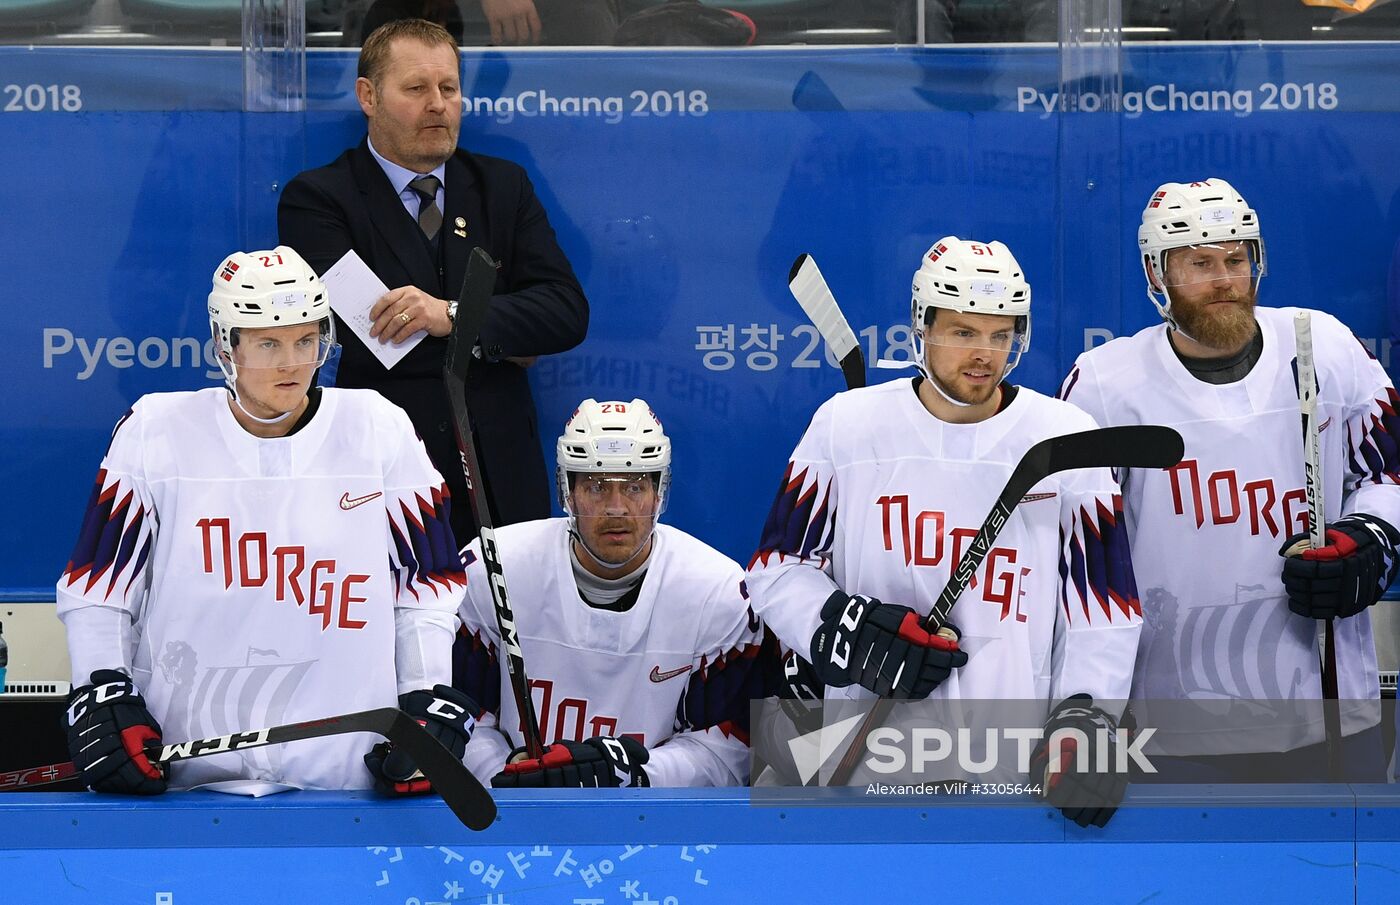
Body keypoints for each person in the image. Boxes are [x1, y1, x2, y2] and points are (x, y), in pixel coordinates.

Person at [745, 238, 1142, 826]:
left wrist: (1084, 715)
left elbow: (1103, 606)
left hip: (1011, 763)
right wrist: (845, 632)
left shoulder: (1065, 436)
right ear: (922, 327)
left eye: (1000, 334)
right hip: (869, 763)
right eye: (963, 332)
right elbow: (777, 569)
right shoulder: (845, 427)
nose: (984, 354)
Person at [56, 246, 474, 795]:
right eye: (268, 343)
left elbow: (426, 583)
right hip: (190, 763)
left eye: (306, 340)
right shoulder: (155, 430)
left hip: (342, 765)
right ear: (226, 347)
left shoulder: (378, 428)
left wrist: (425, 690)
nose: (291, 362)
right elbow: (101, 584)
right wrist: (103, 687)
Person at [1059, 178, 1400, 781]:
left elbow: (1388, 471)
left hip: (1328, 710)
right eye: (1199, 263)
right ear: (1157, 273)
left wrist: (1371, 538)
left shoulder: (1324, 346)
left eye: (1235, 259)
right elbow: (1079, 561)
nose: (1223, 279)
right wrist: (1087, 710)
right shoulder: (1105, 385)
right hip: (1164, 724)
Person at [279, 17, 588, 545]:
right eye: (416, 88)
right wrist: (503, 339)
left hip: (502, 477)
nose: (438, 104)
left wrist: (450, 316)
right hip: (384, 478)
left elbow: (564, 313)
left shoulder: (502, 186)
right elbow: (372, 336)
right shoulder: (318, 199)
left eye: (448, 88)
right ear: (368, 96)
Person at [455, 398, 773, 787]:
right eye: (595, 486)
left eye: (635, 487)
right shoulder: (493, 566)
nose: (617, 508)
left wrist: (629, 774)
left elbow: (728, 751)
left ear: (659, 494)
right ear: (568, 493)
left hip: (652, 826)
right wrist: (504, 775)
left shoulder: (718, 591)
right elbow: (459, 714)